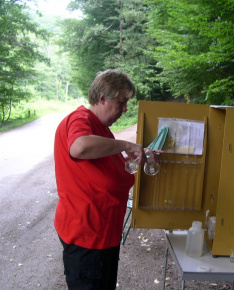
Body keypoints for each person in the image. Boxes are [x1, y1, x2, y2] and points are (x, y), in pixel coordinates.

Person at [54, 69, 145, 289]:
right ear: (103, 98)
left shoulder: (102, 130)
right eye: (121, 102)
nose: (124, 109)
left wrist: (131, 158)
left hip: (102, 235)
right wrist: (126, 144)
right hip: (87, 238)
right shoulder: (80, 118)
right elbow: (80, 147)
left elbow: (103, 170)